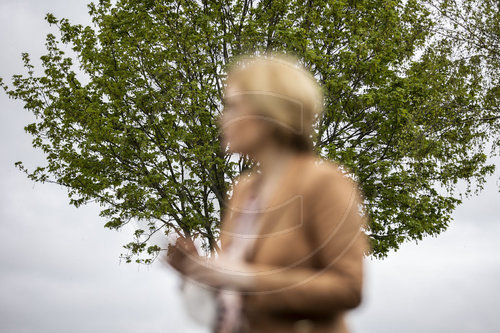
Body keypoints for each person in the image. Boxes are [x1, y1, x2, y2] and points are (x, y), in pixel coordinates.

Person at [161, 52, 371, 333]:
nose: (221, 117)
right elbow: (236, 296)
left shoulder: (325, 182)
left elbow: (348, 288)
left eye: (233, 106)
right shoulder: (243, 190)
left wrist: (247, 278)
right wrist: (199, 272)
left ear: (268, 113)